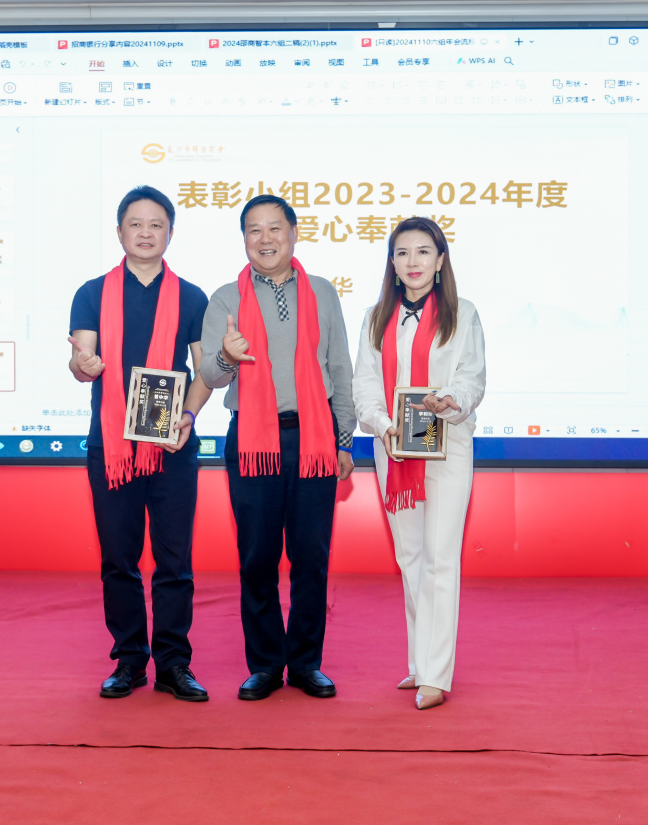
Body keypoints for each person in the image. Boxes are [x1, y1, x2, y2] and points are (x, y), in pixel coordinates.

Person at [200, 194, 356, 701]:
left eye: (274, 228)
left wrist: (344, 438)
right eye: (254, 230)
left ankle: (307, 663)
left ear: (293, 233)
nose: (265, 239)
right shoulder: (226, 298)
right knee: (258, 558)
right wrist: (227, 356)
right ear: (243, 238)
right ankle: (266, 664)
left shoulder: (322, 292)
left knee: (312, 557)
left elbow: (339, 369)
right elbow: (210, 376)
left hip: (315, 438)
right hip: (252, 441)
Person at [68, 185, 212, 702]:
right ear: (119, 231)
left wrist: (188, 416)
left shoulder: (192, 297)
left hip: (171, 446)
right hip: (110, 448)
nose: (145, 233)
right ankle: (130, 659)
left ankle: (174, 663)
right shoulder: (91, 293)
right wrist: (84, 365)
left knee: (175, 561)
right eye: (136, 223)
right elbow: (81, 361)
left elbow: (205, 370)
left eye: (156, 224)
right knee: (119, 559)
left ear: (170, 232)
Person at [351, 216, 485, 710]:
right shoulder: (375, 317)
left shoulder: (463, 313)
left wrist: (451, 400)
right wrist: (382, 424)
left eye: (424, 251)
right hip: (394, 448)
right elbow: (365, 384)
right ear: (392, 261)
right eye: (403, 252)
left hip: (446, 443)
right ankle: (418, 662)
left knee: (440, 557)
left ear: (440, 260)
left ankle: (436, 675)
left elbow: (473, 377)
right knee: (410, 558)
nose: (413, 261)